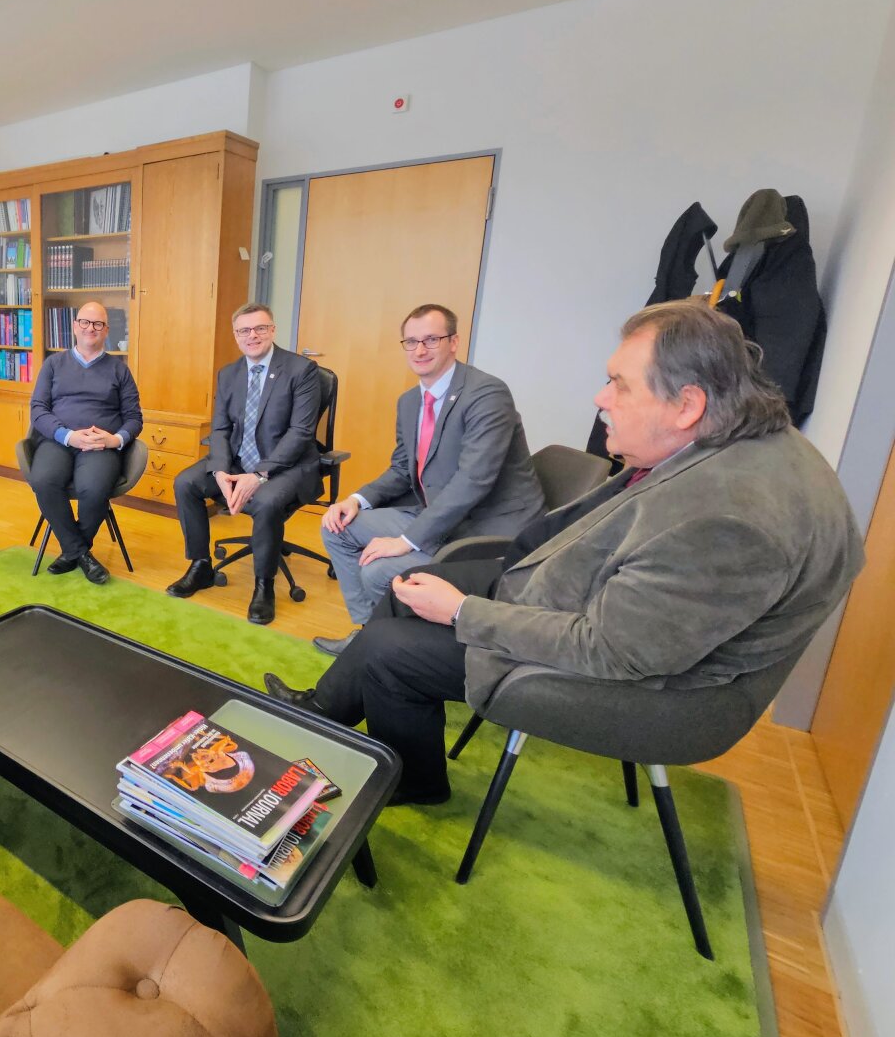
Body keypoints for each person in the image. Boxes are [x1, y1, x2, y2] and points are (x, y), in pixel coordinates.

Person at [264, 300, 864, 805]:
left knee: (391, 648)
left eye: (619, 384)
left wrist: (462, 612)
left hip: (644, 686)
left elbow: (612, 650)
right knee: (407, 588)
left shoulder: (726, 518)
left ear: (687, 404)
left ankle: (414, 780)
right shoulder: (724, 444)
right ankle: (324, 711)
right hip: (580, 592)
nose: (601, 398)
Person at [313, 304, 544, 655]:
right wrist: (355, 500)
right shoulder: (410, 402)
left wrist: (405, 540)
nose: (420, 350)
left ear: (454, 342)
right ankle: (368, 634)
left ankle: (396, 649)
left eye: (431, 340)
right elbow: (401, 468)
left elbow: (474, 480)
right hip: (438, 514)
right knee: (336, 526)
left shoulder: (487, 394)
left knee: (378, 572)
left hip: (486, 528)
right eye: (411, 341)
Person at [167, 303, 320, 625]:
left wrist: (260, 474)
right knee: (186, 482)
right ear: (236, 335)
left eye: (260, 328)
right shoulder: (229, 373)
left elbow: (301, 432)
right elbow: (220, 428)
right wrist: (220, 471)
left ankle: (264, 586)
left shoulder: (301, 370)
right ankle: (200, 565)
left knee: (266, 501)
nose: (252, 336)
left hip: (286, 465)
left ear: (272, 330)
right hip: (237, 460)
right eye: (244, 330)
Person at [27, 301, 142, 584]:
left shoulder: (119, 370)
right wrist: (68, 435)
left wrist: (114, 439)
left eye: (98, 324)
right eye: (85, 322)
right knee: (43, 480)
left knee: (94, 488)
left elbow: (134, 418)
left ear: (106, 330)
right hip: (59, 440)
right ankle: (80, 553)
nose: (91, 328)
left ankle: (72, 552)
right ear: (75, 326)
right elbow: (38, 409)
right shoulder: (53, 364)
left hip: (100, 446)